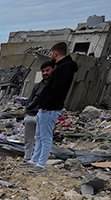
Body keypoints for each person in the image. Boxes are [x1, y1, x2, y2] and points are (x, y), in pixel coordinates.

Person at [24, 42, 79, 172]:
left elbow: (56, 90)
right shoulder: (62, 67)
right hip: (46, 108)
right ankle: (34, 160)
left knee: (46, 136)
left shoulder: (64, 68)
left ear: (55, 53)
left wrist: (45, 105)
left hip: (50, 108)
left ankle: (41, 164)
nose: (50, 56)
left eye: (51, 54)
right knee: (40, 135)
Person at [20, 60, 55, 163]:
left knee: (43, 139)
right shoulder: (38, 86)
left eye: (47, 70)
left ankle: (40, 161)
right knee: (28, 139)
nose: (45, 73)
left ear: (53, 70)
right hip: (31, 115)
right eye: (43, 71)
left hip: (44, 115)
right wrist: (26, 114)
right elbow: (30, 100)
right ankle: (28, 158)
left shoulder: (55, 86)